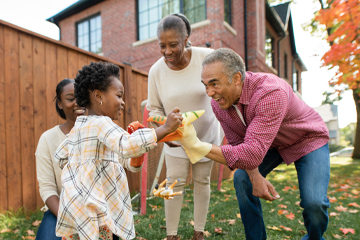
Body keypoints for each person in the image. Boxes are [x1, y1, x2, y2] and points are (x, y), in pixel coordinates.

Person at [180, 48, 330, 240]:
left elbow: (250, 153)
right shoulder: (219, 104)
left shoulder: (270, 92)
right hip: (270, 144)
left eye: (214, 84)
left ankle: (314, 238)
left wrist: (198, 147)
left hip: (307, 138)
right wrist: (255, 176)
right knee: (242, 178)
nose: (210, 93)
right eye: (205, 85)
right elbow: (238, 144)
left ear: (236, 79)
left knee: (314, 203)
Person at [54, 62, 183, 240]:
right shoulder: (102, 123)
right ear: (98, 96)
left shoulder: (79, 127)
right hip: (99, 207)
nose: (122, 102)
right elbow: (126, 145)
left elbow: (60, 156)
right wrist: (164, 129)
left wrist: (78, 173)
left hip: (79, 206)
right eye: (119, 95)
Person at [147, 13, 223, 240]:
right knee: (173, 183)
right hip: (175, 139)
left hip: (205, 137)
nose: (167, 51)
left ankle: (199, 231)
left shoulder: (207, 58)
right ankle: (171, 235)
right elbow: (154, 110)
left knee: (202, 180)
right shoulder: (156, 71)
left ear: (186, 39)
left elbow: (223, 87)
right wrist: (165, 129)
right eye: (162, 46)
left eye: (173, 45)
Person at [35, 78, 86, 240]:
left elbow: (128, 164)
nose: (77, 103)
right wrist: (67, 219)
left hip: (98, 211)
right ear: (60, 104)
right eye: (71, 99)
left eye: (81, 97)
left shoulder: (102, 132)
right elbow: (47, 188)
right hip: (61, 209)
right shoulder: (48, 139)